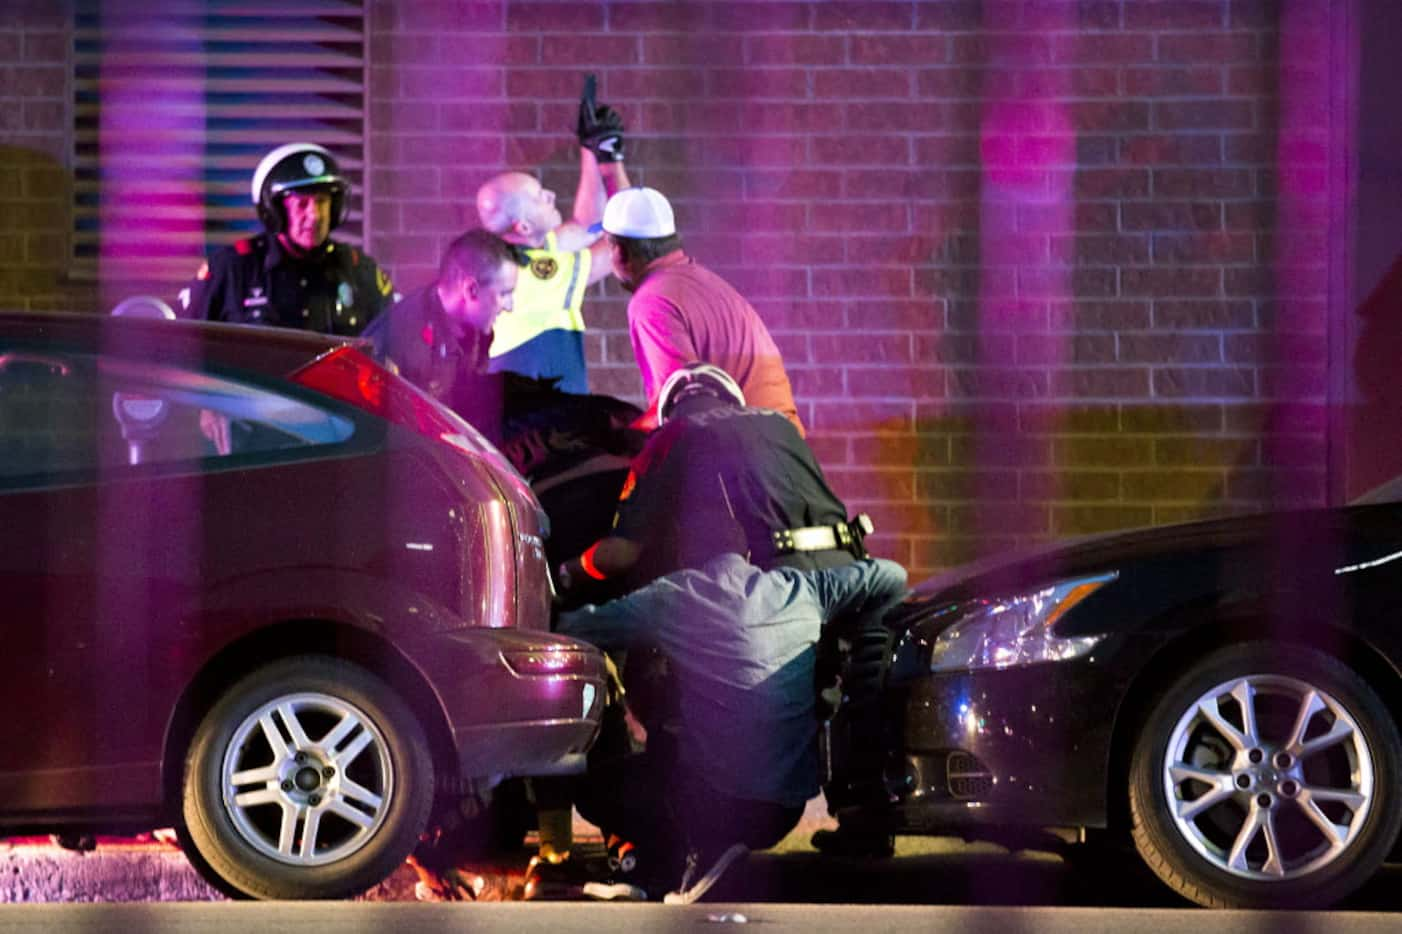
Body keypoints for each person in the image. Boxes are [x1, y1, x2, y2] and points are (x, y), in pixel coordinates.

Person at [536, 552, 908, 901]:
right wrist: (858, 641)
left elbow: (579, 626)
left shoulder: (679, 594)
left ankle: (694, 852)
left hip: (719, 799)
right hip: (784, 809)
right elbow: (893, 575)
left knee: (594, 787)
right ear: (746, 556)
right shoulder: (802, 588)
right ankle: (665, 866)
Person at [556, 363, 865, 596]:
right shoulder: (781, 425)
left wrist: (568, 571)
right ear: (733, 400)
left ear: (669, 411)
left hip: (776, 590)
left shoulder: (665, 439)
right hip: (850, 569)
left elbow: (621, 553)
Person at [597, 186, 803, 434]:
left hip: (746, 454)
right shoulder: (707, 283)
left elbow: (680, 404)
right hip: (782, 446)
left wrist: (616, 440)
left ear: (621, 252)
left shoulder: (651, 302)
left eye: (609, 247)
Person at [475, 74, 632, 394]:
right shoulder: (538, 275)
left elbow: (590, 222)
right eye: (538, 197)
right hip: (547, 428)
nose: (548, 195)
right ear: (523, 227)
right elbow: (624, 235)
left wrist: (591, 148)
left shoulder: (519, 255)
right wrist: (611, 161)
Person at [180, 142, 395, 335]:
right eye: (302, 204)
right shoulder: (230, 271)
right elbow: (185, 350)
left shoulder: (359, 272)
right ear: (275, 211)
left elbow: (394, 348)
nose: (315, 216)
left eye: (322, 202)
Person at [361, 229, 519, 443]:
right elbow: (384, 437)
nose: (510, 306)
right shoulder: (404, 343)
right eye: (504, 293)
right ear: (471, 290)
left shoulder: (474, 330)